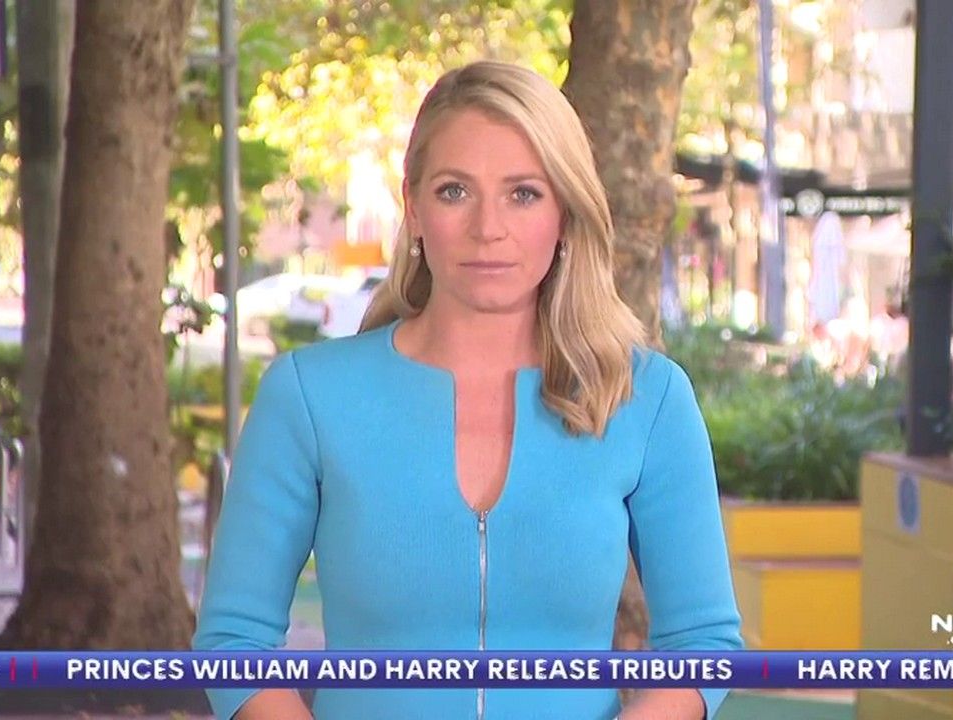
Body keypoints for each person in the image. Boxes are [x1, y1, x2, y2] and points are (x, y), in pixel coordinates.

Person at [193, 60, 743, 720]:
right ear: (414, 208)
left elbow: (704, 646)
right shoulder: (308, 396)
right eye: (455, 191)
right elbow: (234, 644)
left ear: (565, 213)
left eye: (523, 194)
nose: (488, 228)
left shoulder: (648, 399)